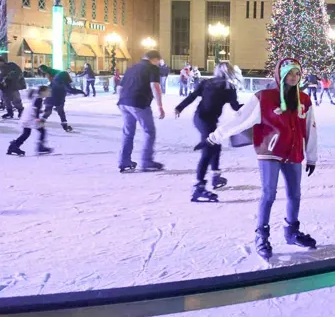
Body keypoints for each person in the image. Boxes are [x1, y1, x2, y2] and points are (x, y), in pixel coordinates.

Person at [207, 57, 318, 261]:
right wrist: (217, 134)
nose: (294, 77)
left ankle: (291, 232)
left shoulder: (304, 100)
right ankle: (262, 235)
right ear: (280, 75)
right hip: (270, 151)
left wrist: (312, 156)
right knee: (269, 194)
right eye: (289, 74)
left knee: (295, 194)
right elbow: (241, 118)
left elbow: (310, 128)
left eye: (297, 74)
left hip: (293, 152)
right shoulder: (264, 97)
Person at [175, 62, 242, 203]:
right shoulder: (228, 88)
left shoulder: (208, 83)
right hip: (205, 120)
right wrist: (254, 105)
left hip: (201, 118)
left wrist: (179, 107)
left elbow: (192, 96)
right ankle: (198, 187)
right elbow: (236, 108)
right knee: (208, 150)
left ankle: (215, 175)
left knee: (215, 145)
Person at [117, 50, 166, 172]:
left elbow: (119, 87)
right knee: (149, 132)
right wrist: (160, 106)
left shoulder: (131, 68)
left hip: (124, 103)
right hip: (139, 103)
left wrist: (122, 101)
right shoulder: (152, 68)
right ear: (154, 59)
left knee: (128, 133)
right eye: (158, 61)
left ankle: (124, 160)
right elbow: (155, 86)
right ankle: (146, 161)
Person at [38, 65, 86, 132]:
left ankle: (41, 122)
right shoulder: (63, 81)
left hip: (49, 97)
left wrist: (43, 94)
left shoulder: (55, 78)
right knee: (61, 112)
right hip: (58, 98)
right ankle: (65, 127)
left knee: (48, 111)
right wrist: (81, 92)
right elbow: (70, 90)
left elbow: (49, 86)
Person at [7, 86, 53, 156]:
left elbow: (35, 107)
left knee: (26, 133)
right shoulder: (39, 98)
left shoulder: (37, 97)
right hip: (31, 117)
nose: (49, 92)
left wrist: (40, 111)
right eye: (47, 91)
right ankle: (40, 147)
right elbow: (35, 109)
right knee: (42, 131)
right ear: (42, 92)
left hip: (28, 115)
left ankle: (14, 146)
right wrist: (38, 118)